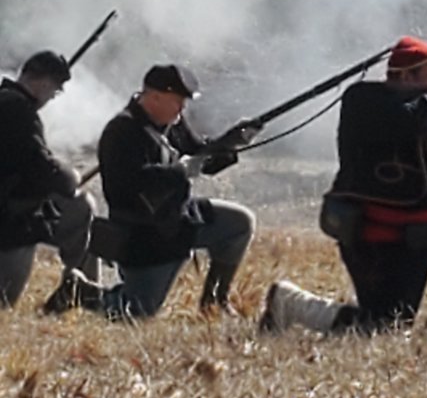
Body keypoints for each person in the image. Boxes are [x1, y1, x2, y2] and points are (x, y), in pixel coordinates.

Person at [260, 35, 427, 335]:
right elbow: (409, 121)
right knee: (383, 329)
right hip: (379, 240)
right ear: (406, 77)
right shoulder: (365, 101)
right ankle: (291, 302)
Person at [53, 63, 260, 319]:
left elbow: (199, 156)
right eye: (177, 101)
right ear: (155, 97)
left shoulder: (172, 121)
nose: (182, 108)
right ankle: (80, 291)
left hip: (179, 219)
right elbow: (130, 185)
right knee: (136, 312)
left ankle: (214, 300)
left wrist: (231, 141)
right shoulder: (121, 131)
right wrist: (180, 171)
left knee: (239, 223)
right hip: (144, 233)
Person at [0, 50, 98, 310]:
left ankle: (79, 289)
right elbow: (41, 168)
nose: (53, 98)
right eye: (55, 91)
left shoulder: (8, 103)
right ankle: (80, 290)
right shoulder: (19, 110)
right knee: (81, 205)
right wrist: (70, 176)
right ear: (43, 83)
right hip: (9, 223)